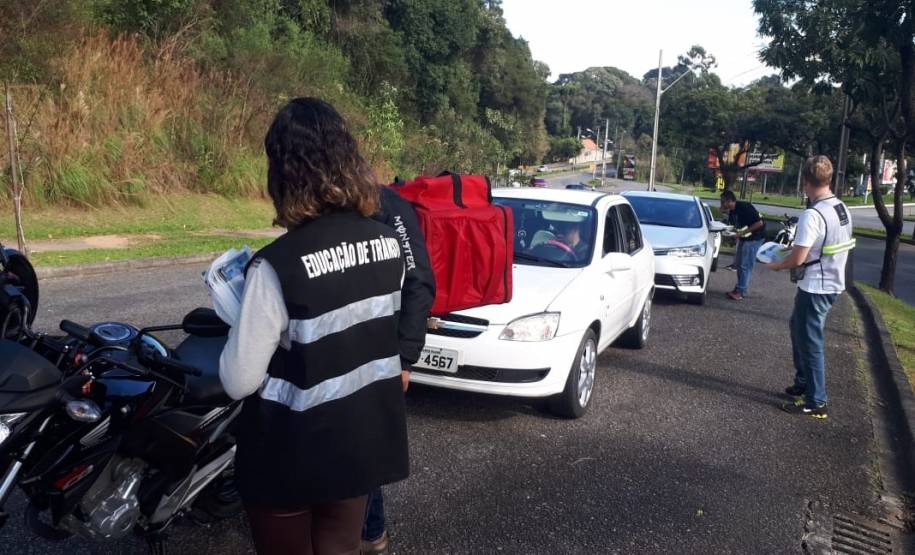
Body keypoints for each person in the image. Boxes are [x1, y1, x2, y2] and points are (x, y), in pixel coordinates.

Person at [219, 97, 409, 555]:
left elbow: (237, 380)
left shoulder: (275, 265)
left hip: (290, 451)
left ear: (283, 174)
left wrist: (237, 319)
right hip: (361, 440)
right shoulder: (388, 244)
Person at [361, 185, 435, 554]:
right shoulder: (328, 198)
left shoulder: (390, 206)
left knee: (365, 441)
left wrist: (405, 358)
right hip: (343, 342)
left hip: (381, 350)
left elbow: (419, 281)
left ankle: (372, 533)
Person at [766, 155, 854, 419]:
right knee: (798, 329)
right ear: (828, 179)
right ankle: (804, 382)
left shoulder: (812, 215)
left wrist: (775, 263)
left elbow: (798, 258)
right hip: (831, 281)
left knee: (810, 341)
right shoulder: (841, 208)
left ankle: (816, 400)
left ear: (805, 181)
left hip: (816, 286)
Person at [720, 189, 766, 300]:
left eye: (723, 202)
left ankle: (741, 291)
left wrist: (742, 233)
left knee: (746, 265)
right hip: (745, 238)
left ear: (729, 200)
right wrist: (735, 233)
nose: (721, 204)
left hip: (755, 238)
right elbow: (737, 226)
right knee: (739, 264)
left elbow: (759, 223)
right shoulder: (732, 212)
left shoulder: (744, 207)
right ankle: (739, 287)